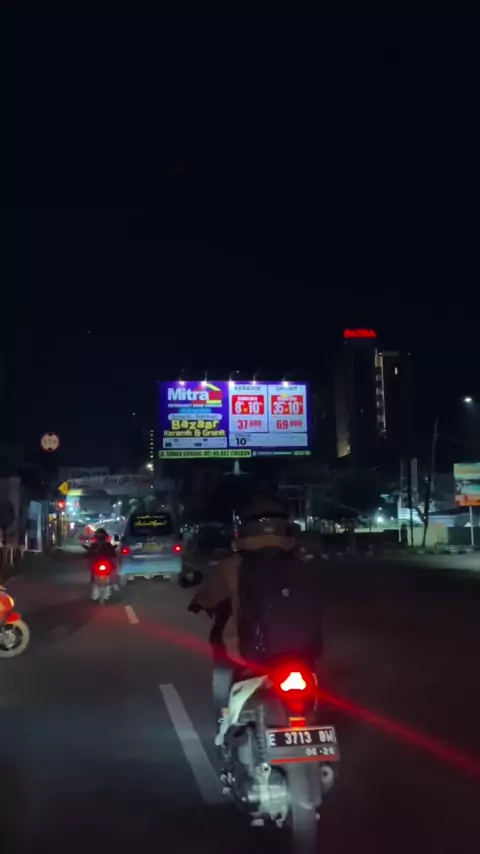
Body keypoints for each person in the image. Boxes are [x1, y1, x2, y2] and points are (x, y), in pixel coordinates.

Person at [189, 493, 323, 726]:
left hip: (251, 653)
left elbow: (208, 596)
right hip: (303, 653)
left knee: (223, 667)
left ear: (242, 528)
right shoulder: (300, 562)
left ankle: (224, 720)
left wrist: (198, 603)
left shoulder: (233, 565)